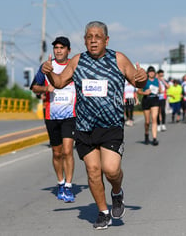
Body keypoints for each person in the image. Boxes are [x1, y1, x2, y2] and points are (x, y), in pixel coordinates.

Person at [41, 21, 147, 230]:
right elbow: (60, 82)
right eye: (89, 37)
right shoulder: (78, 61)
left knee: (111, 170)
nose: (93, 40)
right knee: (93, 170)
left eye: (98, 37)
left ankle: (116, 192)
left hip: (111, 126)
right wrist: (49, 72)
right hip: (84, 126)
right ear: (84, 41)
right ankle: (103, 212)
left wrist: (142, 79)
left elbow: (137, 82)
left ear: (106, 40)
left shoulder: (118, 59)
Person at [30, 36, 76, 203]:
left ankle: (69, 186)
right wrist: (45, 88)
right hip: (52, 115)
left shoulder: (74, 66)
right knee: (57, 153)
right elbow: (34, 87)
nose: (58, 50)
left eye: (62, 47)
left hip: (71, 115)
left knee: (67, 151)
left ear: (68, 50)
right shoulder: (47, 67)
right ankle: (60, 183)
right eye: (56, 47)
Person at [137, 66, 161, 145]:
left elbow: (160, 90)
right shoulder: (145, 81)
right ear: (148, 73)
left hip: (155, 99)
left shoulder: (157, 80)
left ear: (154, 73)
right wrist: (145, 92)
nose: (151, 73)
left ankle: (154, 138)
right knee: (147, 122)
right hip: (146, 99)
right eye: (150, 72)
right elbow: (139, 91)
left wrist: (158, 91)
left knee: (154, 119)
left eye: (153, 72)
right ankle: (146, 134)